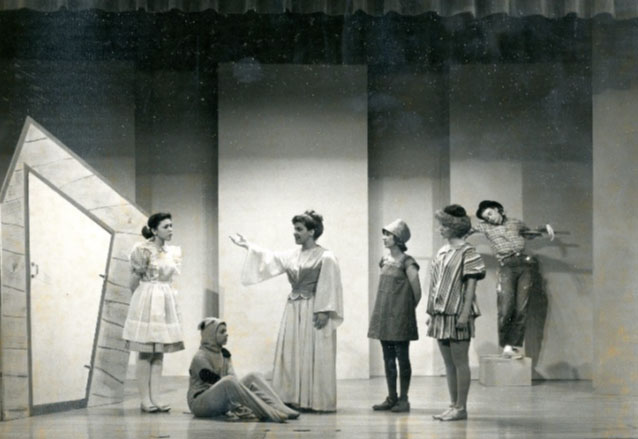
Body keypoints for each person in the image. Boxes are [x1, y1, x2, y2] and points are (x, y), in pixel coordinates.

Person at [229, 210, 344, 412]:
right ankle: (292, 397)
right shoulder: (292, 255)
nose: (295, 233)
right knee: (292, 352)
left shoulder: (326, 256)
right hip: (293, 309)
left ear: (312, 231)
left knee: (314, 352)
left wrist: (324, 310)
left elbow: (330, 284)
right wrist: (247, 245)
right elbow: (268, 259)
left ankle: (315, 400)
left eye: (299, 229)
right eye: (295, 229)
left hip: (313, 308)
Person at [471, 200, 554, 359]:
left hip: (525, 266)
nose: (490, 218)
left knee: (521, 308)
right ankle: (506, 345)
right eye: (486, 218)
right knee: (506, 307)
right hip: (507, 266)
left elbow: (529, 234)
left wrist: (545, 227)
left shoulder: (515, 223)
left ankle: (511, 347)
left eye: (490, 214)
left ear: (497, 209)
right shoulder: (486, 227)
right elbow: (467, 229)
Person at [427, 205, 486, 421]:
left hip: (458, 313)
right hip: (441, 314)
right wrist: (431, 312)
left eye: (443, 225)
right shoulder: (442, 252)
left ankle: (462, 407)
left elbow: (471, 286)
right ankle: (453, 405)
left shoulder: (468, 252)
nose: (440, 229)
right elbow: (436, 284)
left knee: (460, 361)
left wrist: (463, 314)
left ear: (454, 227)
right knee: (448, 363)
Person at [122, 212, 184, 413]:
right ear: (155, 229)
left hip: (165, 299)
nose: (170, 230)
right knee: (146, 352)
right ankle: (144, 399)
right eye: (166, 226)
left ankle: (156, 398)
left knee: (159, 353)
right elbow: (133, 281)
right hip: (147, 297)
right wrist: (139, 302)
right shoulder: (142, 250)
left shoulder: (173, 251)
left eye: (171, 226)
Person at [187, 318, 299, 422]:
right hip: (200, 403)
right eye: (222, 332)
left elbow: (233, 380)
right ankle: (270, 413)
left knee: (254, 376)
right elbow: (216, 381)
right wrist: (236, 404)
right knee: (228, 381)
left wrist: (236, 397)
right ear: (210, 335)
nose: (227, 334)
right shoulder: (200, 357)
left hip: (220, 400)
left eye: (226, 331)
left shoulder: (224, 354)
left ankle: (281, 407)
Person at [368, 219, 421, 413]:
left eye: (388, 235)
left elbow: (417, 291)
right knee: (387, 358)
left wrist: (405, 310)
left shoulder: (408, 262)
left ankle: (404, 399)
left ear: (398, 239)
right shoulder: (384, 260)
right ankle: (392, 397)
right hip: (384, 315)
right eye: (384, 234)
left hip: (400, 317)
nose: (384, 238)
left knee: (402, 358)